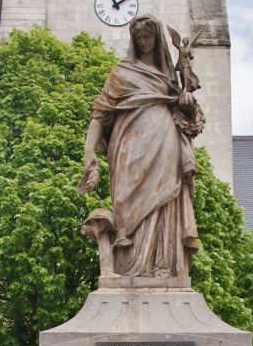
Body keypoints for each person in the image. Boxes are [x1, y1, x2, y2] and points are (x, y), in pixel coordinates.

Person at [78, 15, 204, 279]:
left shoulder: (170, 79)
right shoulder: (122, 73)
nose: (144, 42)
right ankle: (129, 268)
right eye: (139, 38)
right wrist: (89, 152)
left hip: (164, 142)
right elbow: (99, 113)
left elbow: (188, 119)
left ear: (158, 39)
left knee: (163, 200)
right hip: (128, 146)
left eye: (148, 37)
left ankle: (161, 265)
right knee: (125, 202)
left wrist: (185, 100)